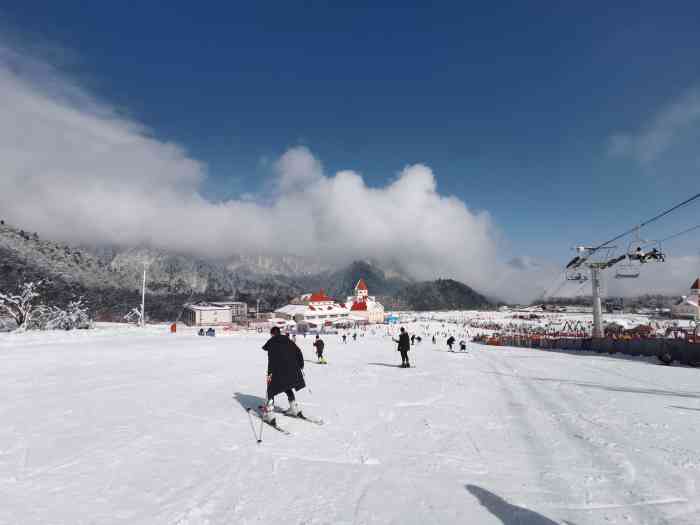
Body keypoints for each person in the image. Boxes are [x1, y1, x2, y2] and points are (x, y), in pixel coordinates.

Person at [261, 326, 306, 424]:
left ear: (272, 334)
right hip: (292, 370)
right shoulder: (289, 341)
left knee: (270, 390)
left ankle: (269, 414)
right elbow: (299, 352)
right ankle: (294, 408)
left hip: (277, 371)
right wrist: (301, 365)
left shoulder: (272, 342)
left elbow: (265, 348)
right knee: (287, 386)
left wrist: (269, 375)